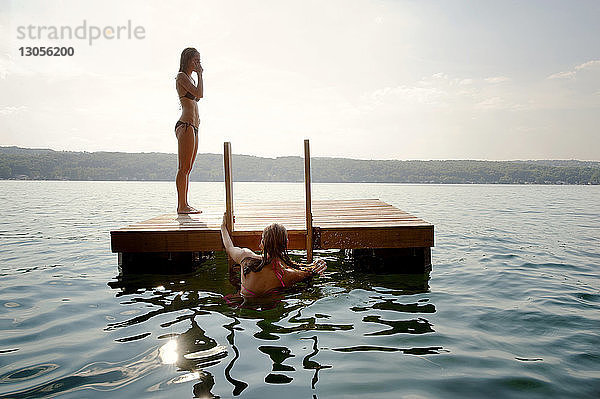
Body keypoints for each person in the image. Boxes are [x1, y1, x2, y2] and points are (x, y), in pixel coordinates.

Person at [220, 215, 327, 297]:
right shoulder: (287, 275)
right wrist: (317, 264)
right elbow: (311, 271)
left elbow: (229, 247)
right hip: (270, 305)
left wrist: (223, 226)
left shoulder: (245, 259)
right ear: (287, 244)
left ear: (262, 244)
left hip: (243, 304)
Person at [175, 47, 203, 214]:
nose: (198, 63)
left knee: (188, 168)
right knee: (183, 167)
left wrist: (198, 75)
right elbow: (200, 93)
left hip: (194, 127)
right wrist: (201, 74)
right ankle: (181, 205)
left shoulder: (191, 80)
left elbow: (198, 96)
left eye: (199, 60)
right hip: (185, 125)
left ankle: (185, 204)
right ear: (187, 60)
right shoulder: (181, 77)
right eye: (195, 60)